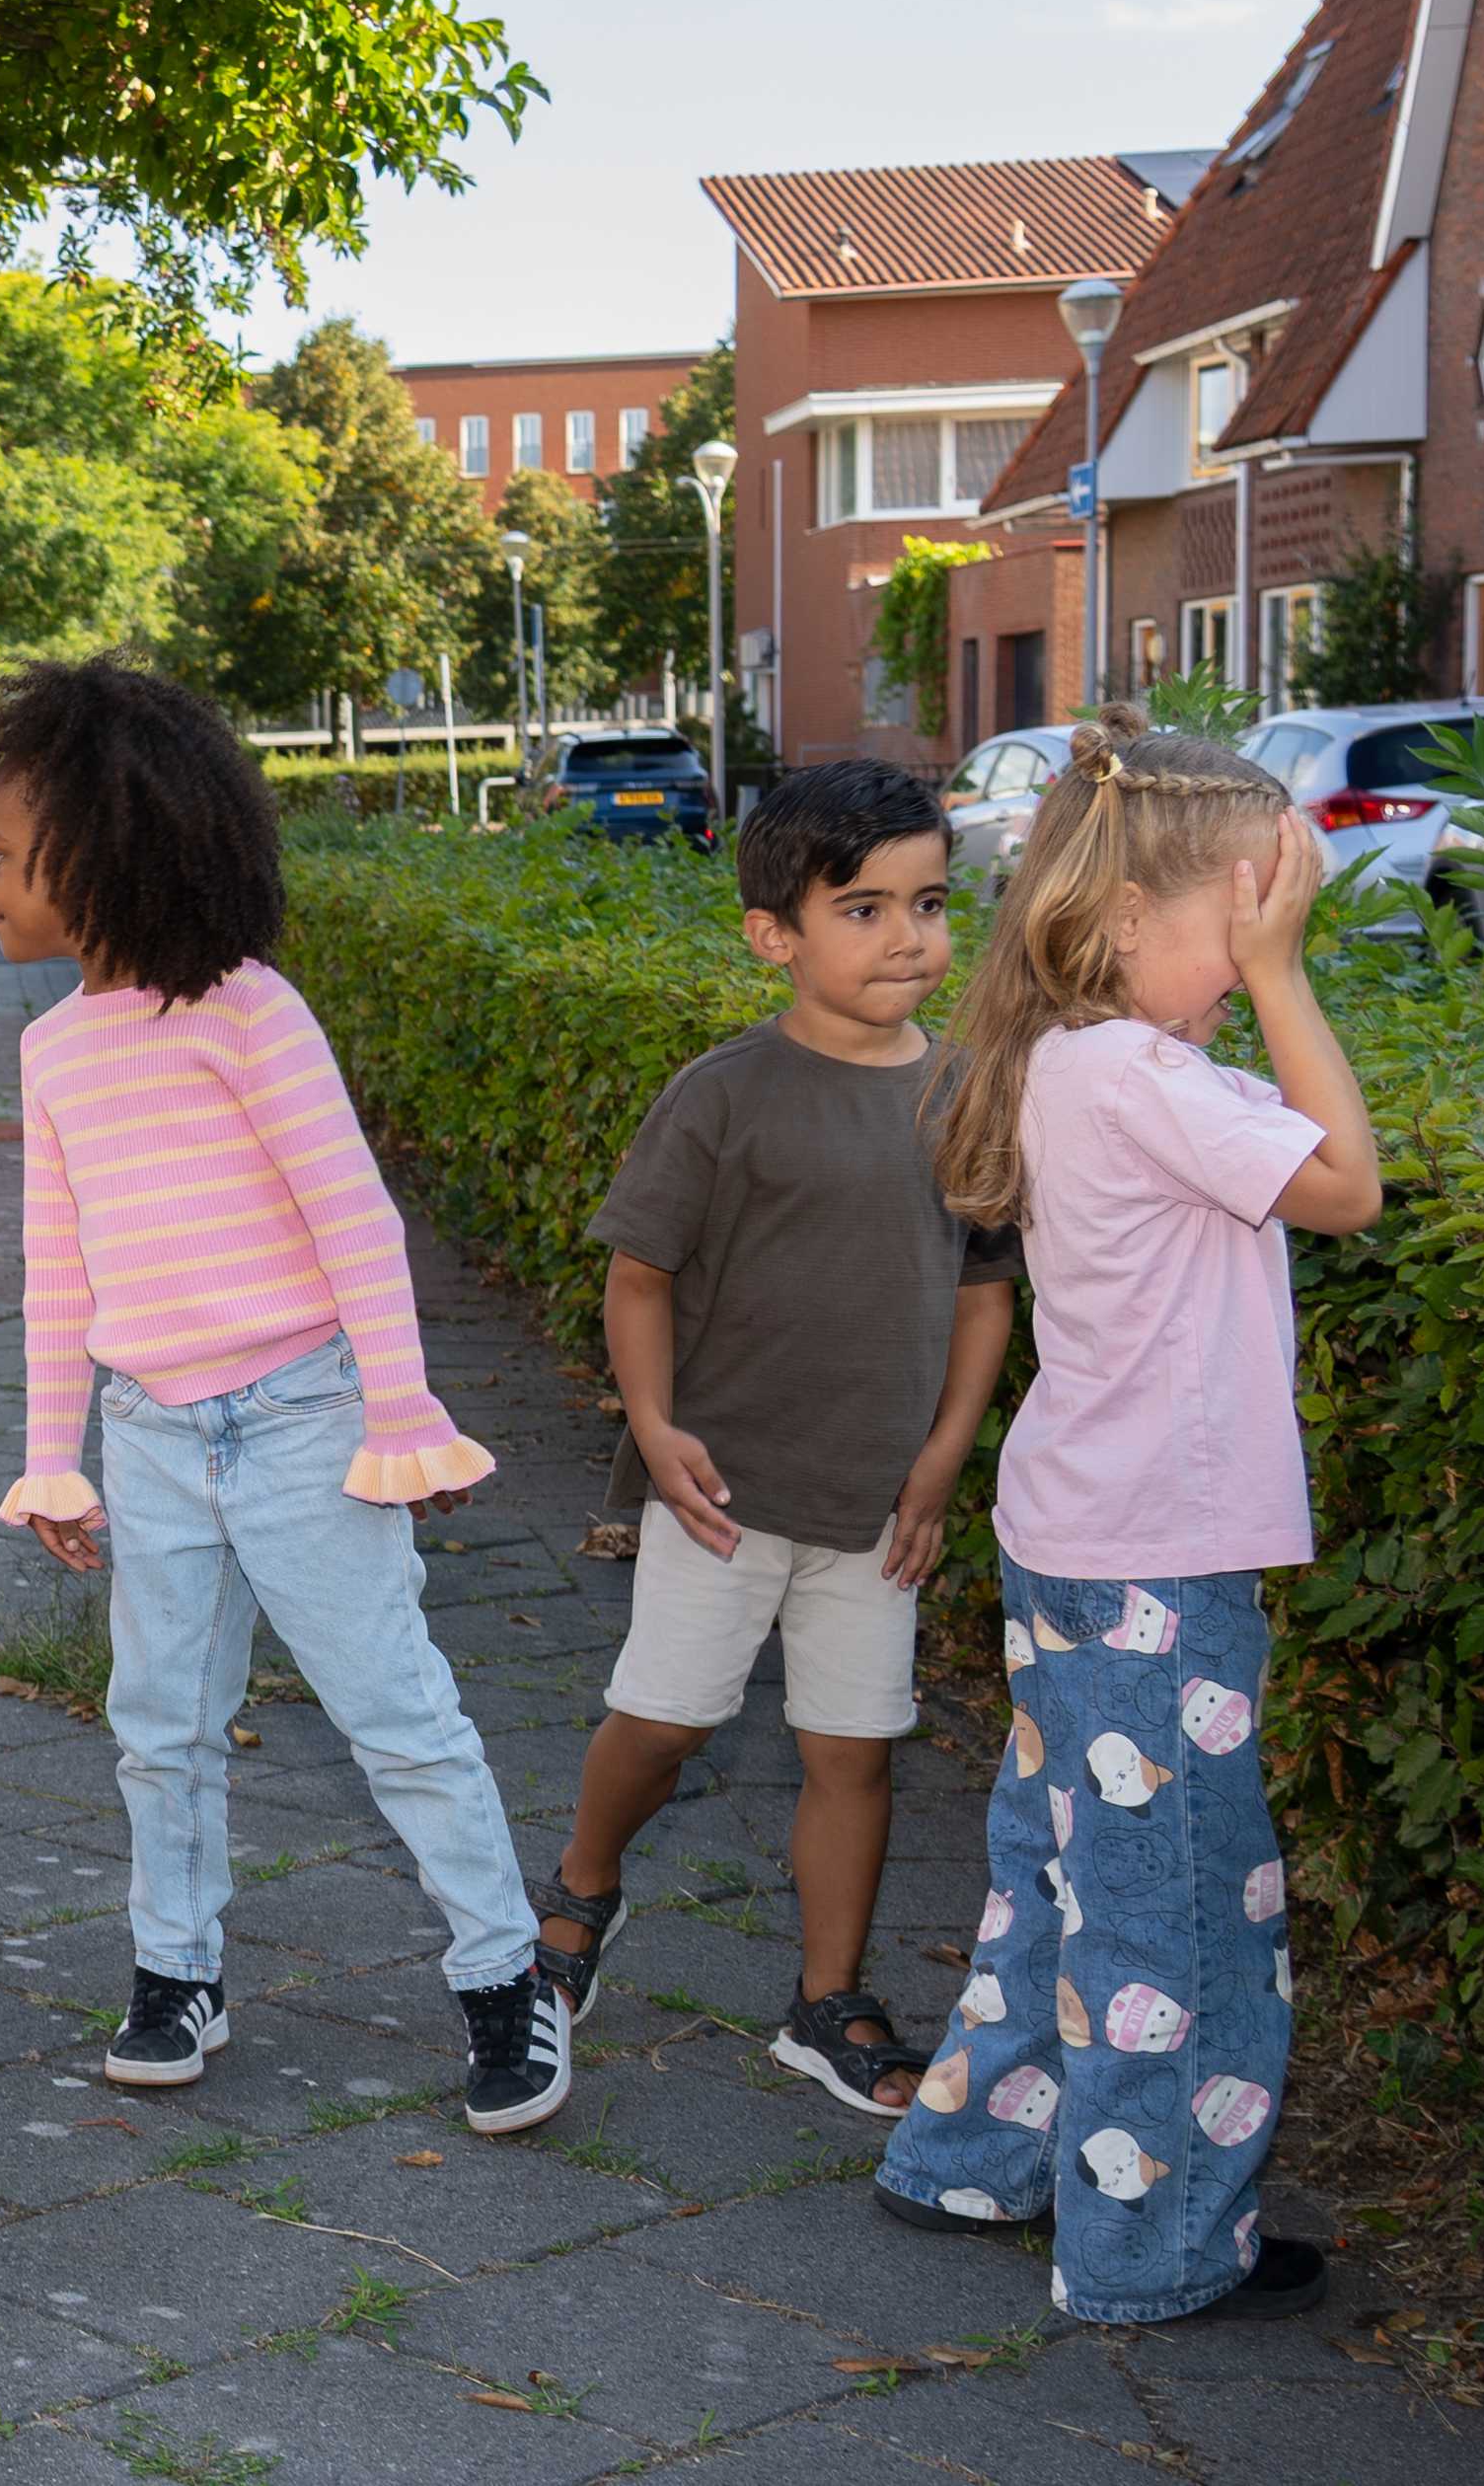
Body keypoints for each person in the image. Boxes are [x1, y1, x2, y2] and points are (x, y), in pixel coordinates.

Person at [0, 654, 576, 2137]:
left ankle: (507, 1977)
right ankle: (176, 1970)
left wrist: (400, 1410)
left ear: (104, 854)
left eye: (0, 851)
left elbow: (353, 1217)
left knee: (394, 1710)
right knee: (157, 1722)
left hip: (305, 1420)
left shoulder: (250, 1012)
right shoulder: (51, 1051)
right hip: (155, 1432)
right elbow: (60, 1267)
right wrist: (56, 1454)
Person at [874, 703, 1379, 2325]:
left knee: (1062, 1863)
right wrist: (1290, 981)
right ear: (1111, 923)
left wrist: (1244, 951)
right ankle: (1150, 2249)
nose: (1250, 959)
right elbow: (1350, 1187)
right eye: (1234, 924)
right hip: (1155, 1555)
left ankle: (975, 2150)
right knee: (1171, 1906)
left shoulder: (1066, 1060)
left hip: (1079, 1533)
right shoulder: (1140, 1073)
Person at [534, 762, 1022, 2118]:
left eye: (928, 903)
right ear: (774, 934)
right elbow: (638, 1275)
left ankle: (826, 1998)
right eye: (861, 908)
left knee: (850, 1746)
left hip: (879, 1499)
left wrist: (940, 1458)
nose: (908, 937)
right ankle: (582, 1881)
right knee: (666, 1719)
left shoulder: (967, 1092)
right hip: (724, 1490)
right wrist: (651, 1422)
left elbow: (986, 1286)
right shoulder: (723, 1092)